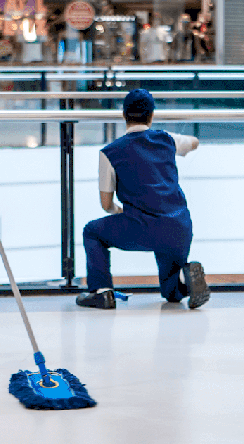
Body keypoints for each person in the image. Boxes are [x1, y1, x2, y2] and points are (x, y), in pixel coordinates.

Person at [78, 89, 210, 310]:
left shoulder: (110, 152)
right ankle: (185, 278)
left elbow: (105, 203)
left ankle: (101, 292)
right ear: (151, 115)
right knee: (171, 293)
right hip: (179, 227)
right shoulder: (166, 139)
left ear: (124, 115)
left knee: (92, 231)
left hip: (142, 226)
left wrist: (118, 212)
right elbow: (194, 142)